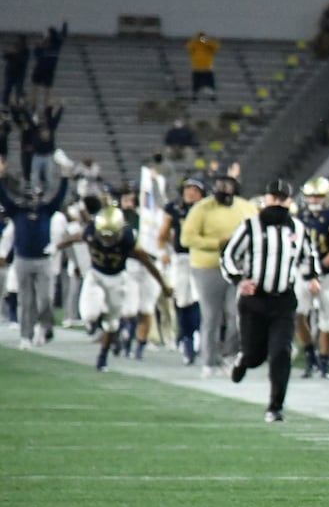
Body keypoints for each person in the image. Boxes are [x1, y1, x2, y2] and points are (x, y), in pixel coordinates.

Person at [221, 179, 322, 422]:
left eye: (281, 199)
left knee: (280, 352)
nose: (276, 203)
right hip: (254, 300)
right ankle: (243, 360)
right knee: (254, 355)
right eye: (273, 198)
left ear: (289, 201)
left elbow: (310, 256)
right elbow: (228, 256)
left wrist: (312, 277)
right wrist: (238, 280)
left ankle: (275, 405)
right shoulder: (250, 226)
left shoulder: (298, 228)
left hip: (283, 300)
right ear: (266, 199)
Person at [57, 206, 168, 372]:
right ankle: (99, 322)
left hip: (117, 279)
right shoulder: (91, 231)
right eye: (104, 235)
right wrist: (57, 245)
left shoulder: (128, 239)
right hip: (95, 276)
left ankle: (103, 356)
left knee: (112, 324)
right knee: (89, 315)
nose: (107, 240)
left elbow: (148, 263)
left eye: (111, 235)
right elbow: (77, 237)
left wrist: (164, 286)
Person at [180, 168, 257, 377]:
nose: (224, 190)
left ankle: (229, 354)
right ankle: (209, 361)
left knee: (237, 314)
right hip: (208, 267)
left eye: (228, 185)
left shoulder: (247, 208)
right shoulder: (201, 208)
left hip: (238, 269)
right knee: (211, 316)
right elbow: (186, 239)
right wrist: (217, 244)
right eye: (221, 185)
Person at [0, 154, 70, 346]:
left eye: (36, 196)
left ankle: (44, 328)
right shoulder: (17, 210)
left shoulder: (46, 210)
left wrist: (65, 174)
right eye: (30, 196)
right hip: (23, 259)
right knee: (26, 300)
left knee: (45, 299)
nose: (33, 200)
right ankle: (25, 336)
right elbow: (2, 195)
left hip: (43, 259)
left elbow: (61, 194)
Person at [295, 177, 329, 379]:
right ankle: (310, 356)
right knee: (298, 314)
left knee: (327, 322)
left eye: (318, 196)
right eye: (311, 196)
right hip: (305, 273)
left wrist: (317, 270)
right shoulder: (301, 216)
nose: (314, 200)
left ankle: (324, 362)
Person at [159, 176, 206, 363]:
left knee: (198, 298)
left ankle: (195, 335)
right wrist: (163, 251)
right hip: (182, 258)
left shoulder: (207, 209)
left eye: (194, 190)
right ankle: (186, 337)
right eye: (188, 189)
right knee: (182, 299)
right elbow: (162, 234)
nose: (190, 193)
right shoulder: (175, 208)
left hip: (203, 257)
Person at [187, 32, 220, 102]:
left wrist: (207, 41)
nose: (201, 39)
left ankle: (212, 95)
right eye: (200, 37)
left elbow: (216, 47)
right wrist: (195, 40)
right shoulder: (195, 44)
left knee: (210, 84)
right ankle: (195, 96)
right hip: (197, 68)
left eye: (203, 37)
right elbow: (189, 47)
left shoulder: (209, 45)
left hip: (207, 68)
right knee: (196, 84)